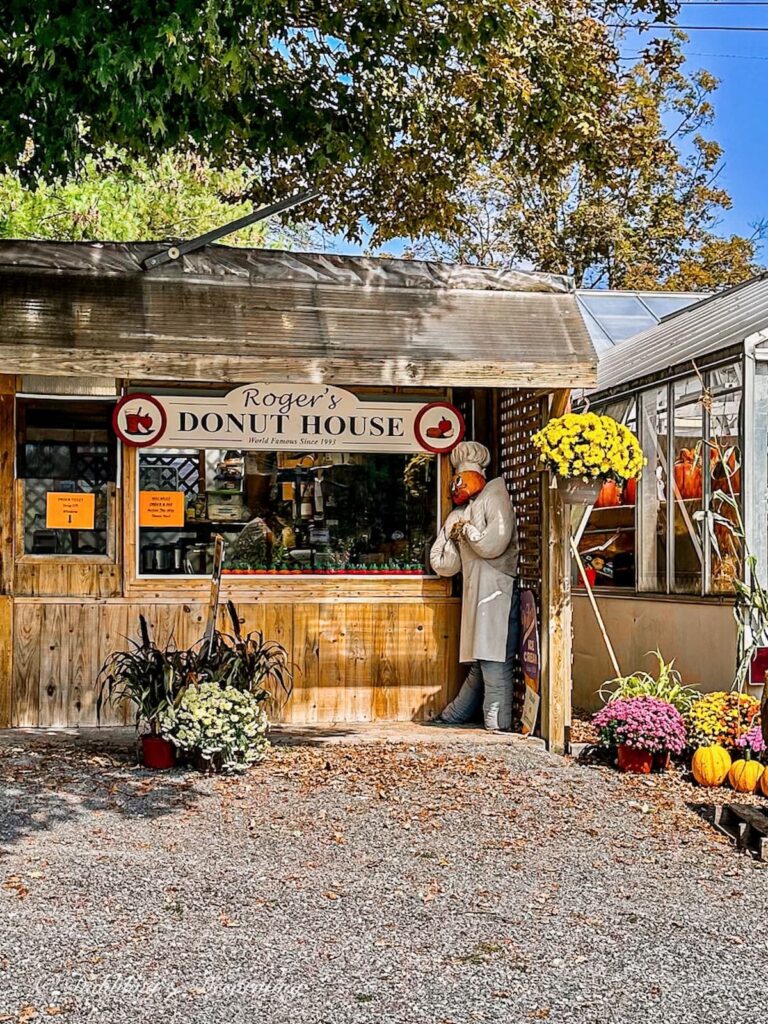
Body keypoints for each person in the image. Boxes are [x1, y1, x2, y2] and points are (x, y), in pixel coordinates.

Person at [430, 441, 519, 731]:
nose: (457, 485)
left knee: (494, 664)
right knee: (481, 664)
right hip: (476, 594)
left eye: (461, 477)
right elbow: (444, 565)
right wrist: (454, 531)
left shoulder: (495, 496)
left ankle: (497, 725)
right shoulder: (464, 512)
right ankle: (454, 716)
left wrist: (466, 531)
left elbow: (493, 544)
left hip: (496, 593)